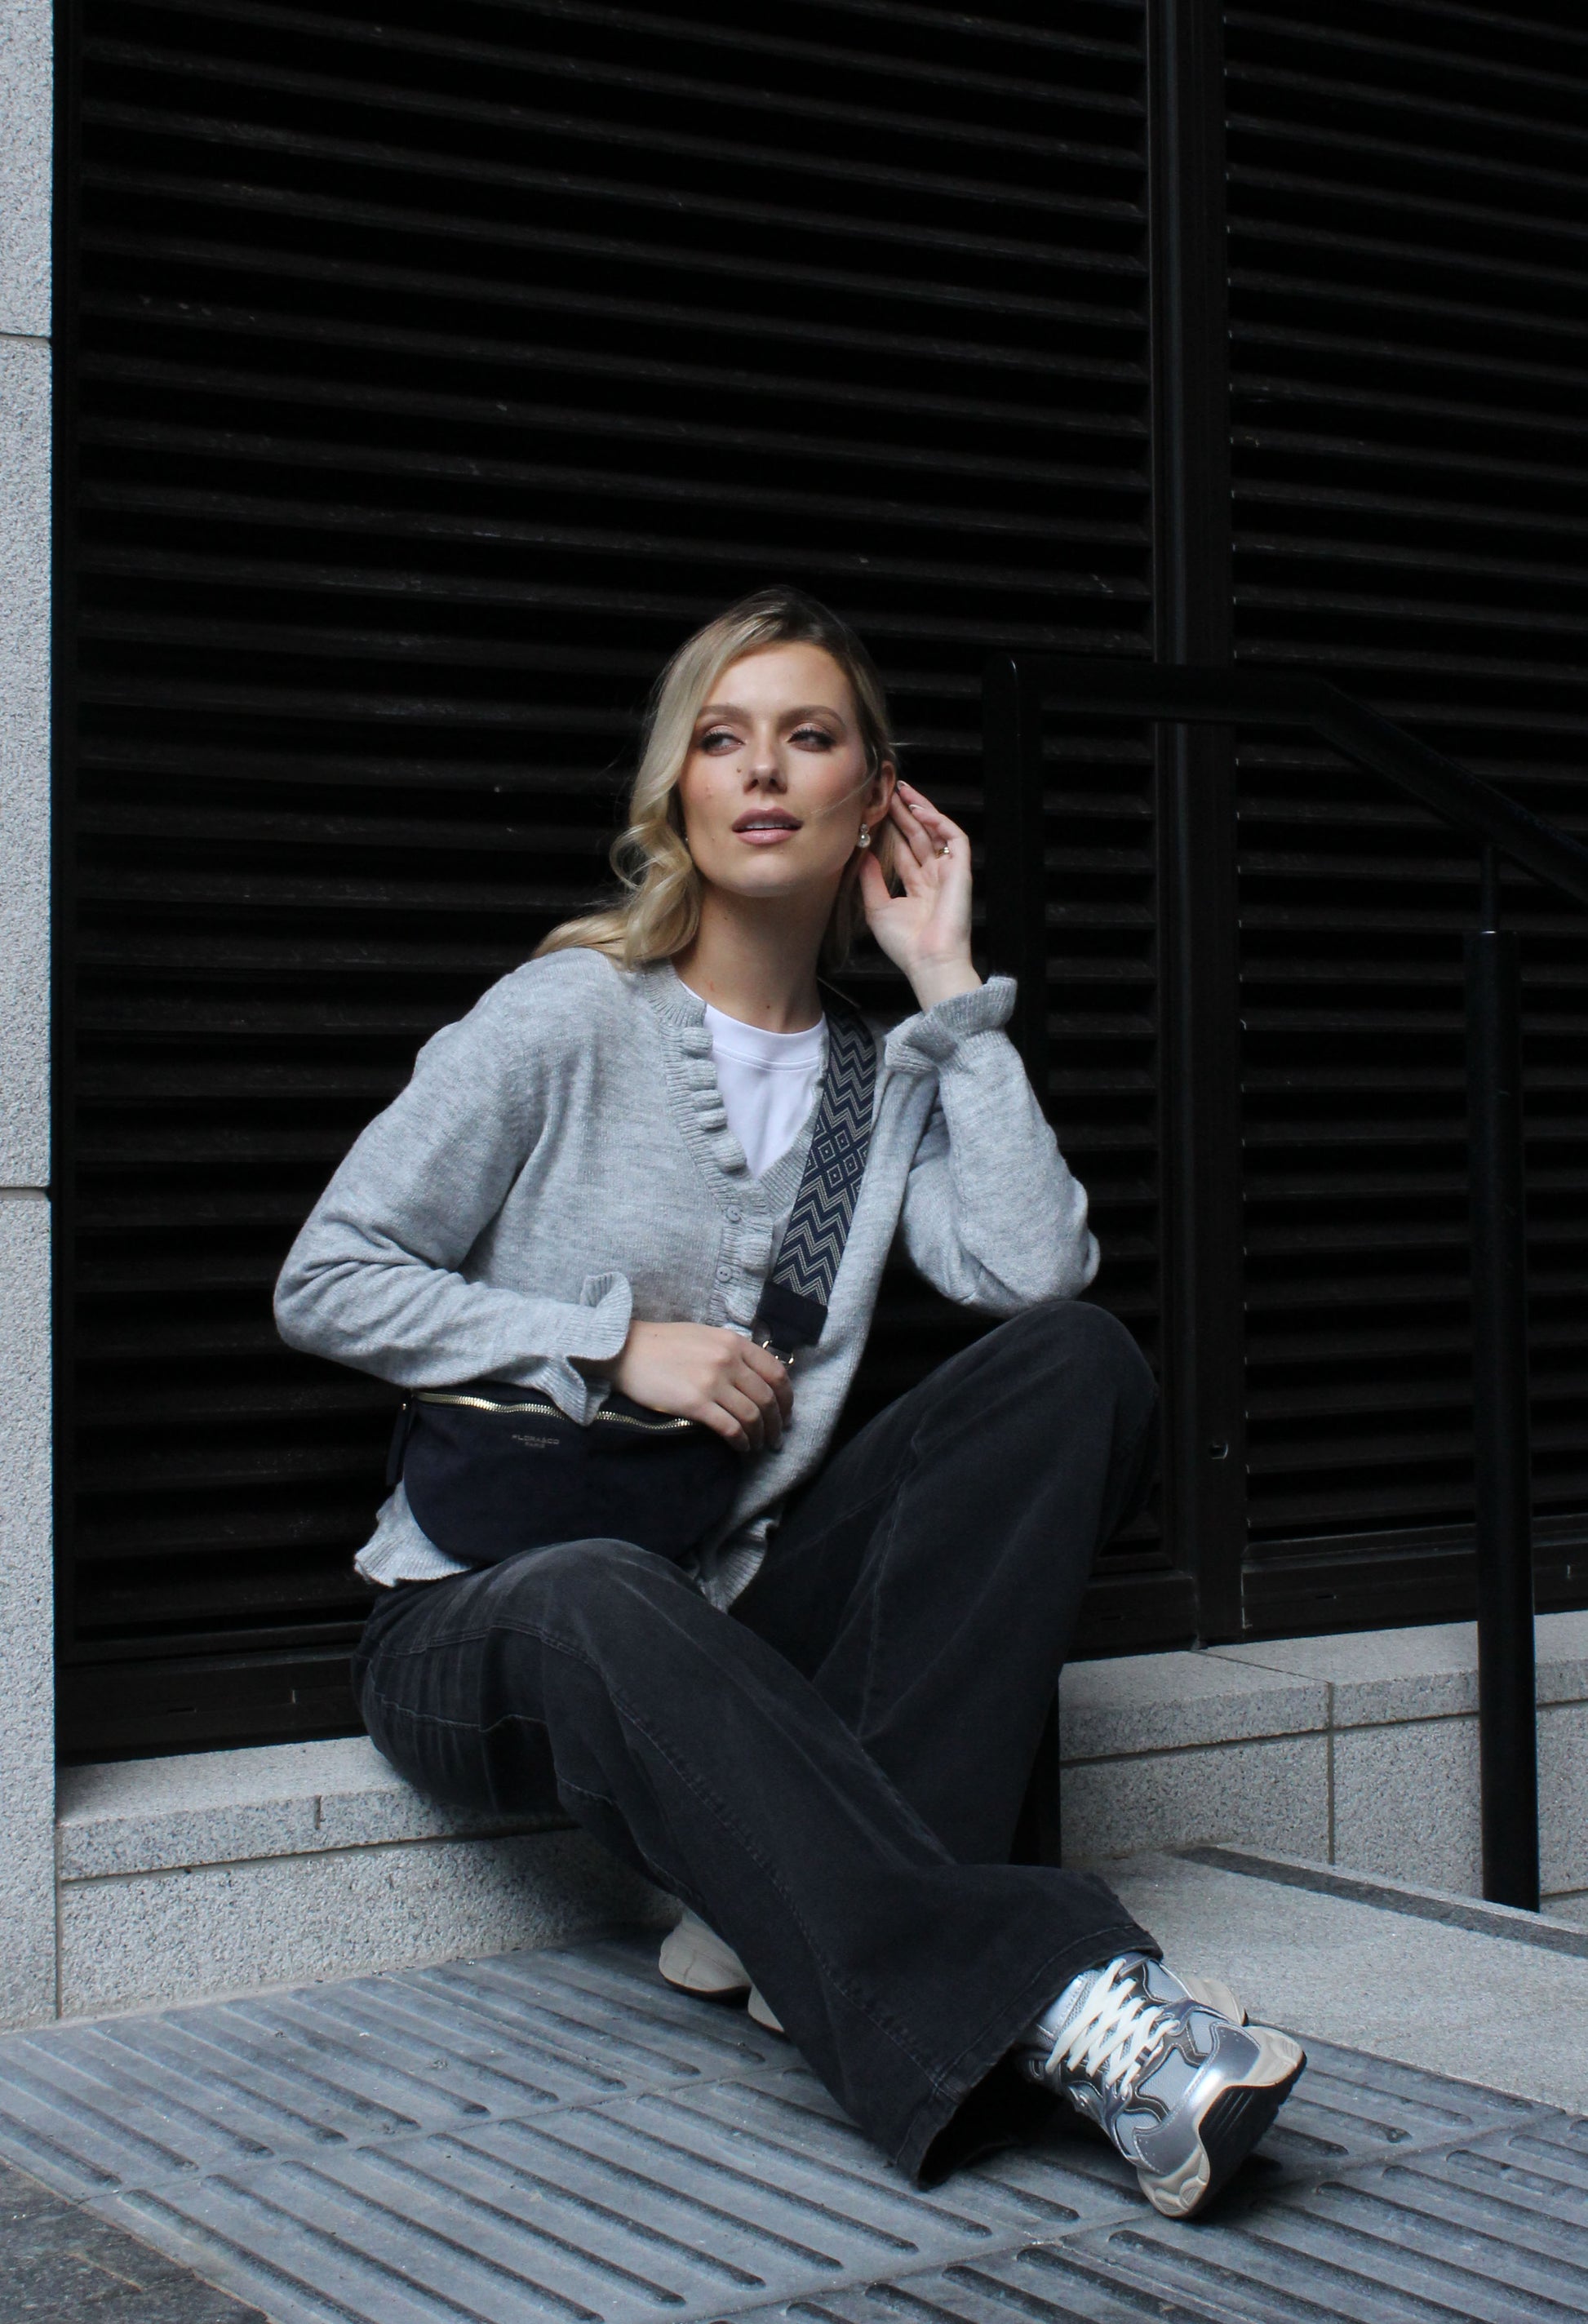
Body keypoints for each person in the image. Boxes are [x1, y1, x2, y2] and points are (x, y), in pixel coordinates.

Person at [274, 588, 1303, 2216]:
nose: (761, 772)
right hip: (489, 1624)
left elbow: (1037, 1270)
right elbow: (324, 1276)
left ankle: (778, 1923)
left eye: (808, 737)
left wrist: (950, 988)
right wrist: (608, 1342)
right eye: (721, 736)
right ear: (677, 788)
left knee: (1077, 1366)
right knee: (602, 1594)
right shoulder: (562, 1018)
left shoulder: (880, 1072)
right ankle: (1062, 2005)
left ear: (874, 799)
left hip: (729, 1616)